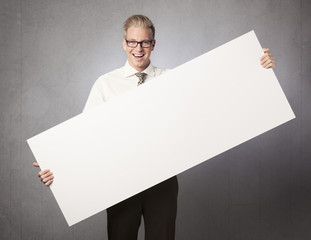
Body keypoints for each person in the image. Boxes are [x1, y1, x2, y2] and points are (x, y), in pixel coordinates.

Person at [33, 14, 275, 240]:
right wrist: (57, 166)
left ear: (153, 44)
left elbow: (215, 95)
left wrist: (257, 67)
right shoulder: (105, 84)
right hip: (118, 183)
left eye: (145, 43)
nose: (138, 49)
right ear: (124, 43)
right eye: (133, 42)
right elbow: (84, 137)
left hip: (162, 181)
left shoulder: (172, 78)